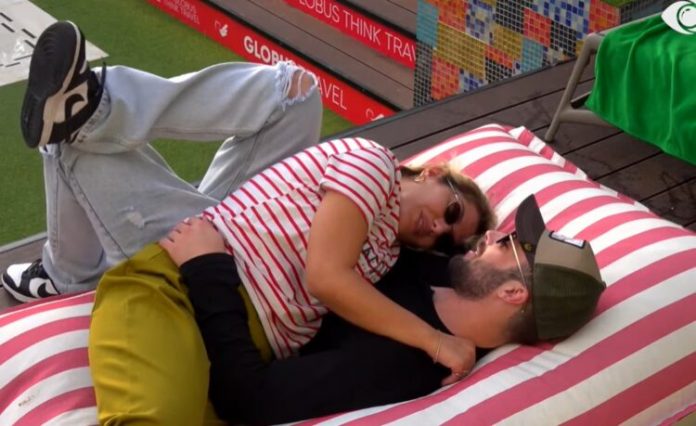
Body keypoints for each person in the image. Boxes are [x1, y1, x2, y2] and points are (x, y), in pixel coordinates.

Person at [4, 20, 495, 385]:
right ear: (433, 173)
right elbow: (328, 275)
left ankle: (70, 264)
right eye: (451, 212)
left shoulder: (387, 251)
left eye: (445, 240)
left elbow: (331, 280)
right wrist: (437, 338)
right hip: (227, 221)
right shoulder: (372, 168)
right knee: (297, 92)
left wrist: (452, 312)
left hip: (204, 256)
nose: (437, 229)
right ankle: (96, 107)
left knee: (73, 144)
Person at [91, 193, 607, 424]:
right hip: (229, 229)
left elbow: (247, 398)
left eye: (508, 245)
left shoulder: (401, 366)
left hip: (185, 288)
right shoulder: (437, 270)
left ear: (513, 293)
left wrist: (208, 270)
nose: (489, 237)